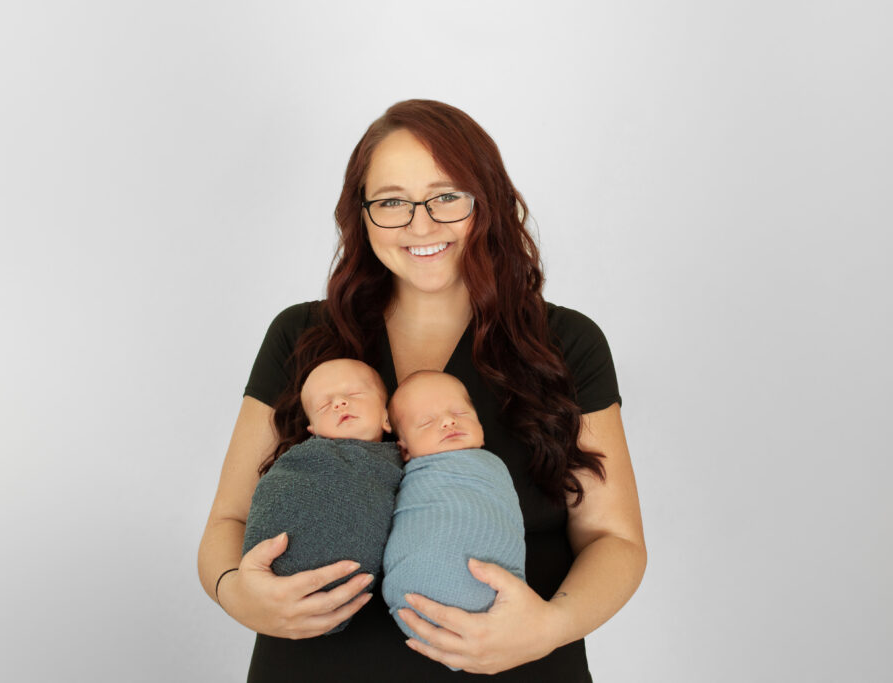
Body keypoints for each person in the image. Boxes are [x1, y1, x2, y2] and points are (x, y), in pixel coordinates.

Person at [197, 99, 646, 682]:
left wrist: (550, 628)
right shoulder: (301, 336)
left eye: (447, 196)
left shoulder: (564, 342)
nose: (420, 224)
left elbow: (615, 539)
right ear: (360, 215)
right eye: (392, 202)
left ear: (488, 201)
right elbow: (226, 523)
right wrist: (237, 595)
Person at [240, 358, 402, 635]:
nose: (339, 403)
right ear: (313, 431)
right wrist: (241, 591)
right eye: (324, 405)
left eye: (353, 395)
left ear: (386, 418)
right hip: (278, 604)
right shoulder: (305, 461)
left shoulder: (398, 464)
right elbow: (272, 492)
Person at [381, 370, 525, 670]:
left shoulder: (493, 468)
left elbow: (507, 522)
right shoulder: (406, 474)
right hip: (412, 608)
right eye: (427, 422)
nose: (448, 422)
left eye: (460, 413)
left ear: (481, 428)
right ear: (404, 449)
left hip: (506, 616)